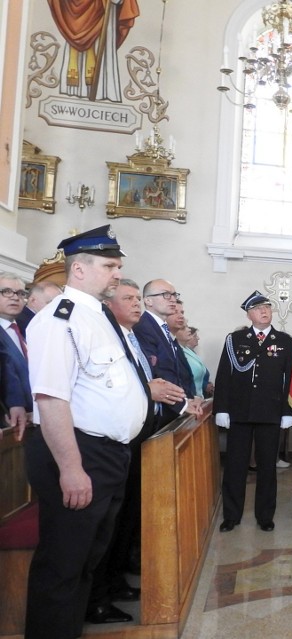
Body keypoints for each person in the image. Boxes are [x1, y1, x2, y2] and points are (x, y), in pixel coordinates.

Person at [24, 225, 150, 637]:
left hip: (109, 455)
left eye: (118, 266)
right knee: (62, 565)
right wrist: (72, 468)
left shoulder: (97, 317)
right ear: (78, 269)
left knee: (87, 561)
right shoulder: (59, 320)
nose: (117, 273)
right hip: (80, 454)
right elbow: (51, 399)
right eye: (110, 266)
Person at [89, 279, 184, 621]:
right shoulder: (112, 336)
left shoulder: (130, 337)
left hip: (136, 435)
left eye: (136, 299)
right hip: (111, 441)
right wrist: (149, 389)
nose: (136, 305)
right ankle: (97, 597)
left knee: (123, 520)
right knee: (108, 526)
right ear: (109, 305)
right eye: (128, 298)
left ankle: (112, 583)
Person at [214, 291, 292, 532]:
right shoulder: (235, 339)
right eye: (258, 308)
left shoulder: (285, 341)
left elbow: (290, 379)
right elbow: (224, 375)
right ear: (249, 314)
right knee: (235, 466)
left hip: (270, 413)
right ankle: (231, 515)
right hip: (240, 413)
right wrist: (222, 408)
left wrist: (287, 411)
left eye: (267, 307)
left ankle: (265, 516)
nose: (264, 311)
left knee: (267, 467)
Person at [134, 278, 197, 425]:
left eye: (174, 295)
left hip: (171, 408)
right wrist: (182, 405)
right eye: (166, 295)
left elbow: (175, 371)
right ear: (148, 301)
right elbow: (156, 372)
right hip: (159, 411)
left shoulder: (162, 328)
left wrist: (187, 400)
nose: (173, 300)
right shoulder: (144, 327)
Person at [0, 273, 31, 440]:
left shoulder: (26, 331)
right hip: (8, 426)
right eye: (6, 291)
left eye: (20, 293)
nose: (15, 297)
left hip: (31, 423)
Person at [177, 325, 213, 398]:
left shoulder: (188, 350)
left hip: (198, 396)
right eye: (195, 336)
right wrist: (205, 385)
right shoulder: (177, 351)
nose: (198, 338)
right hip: (188, 397)